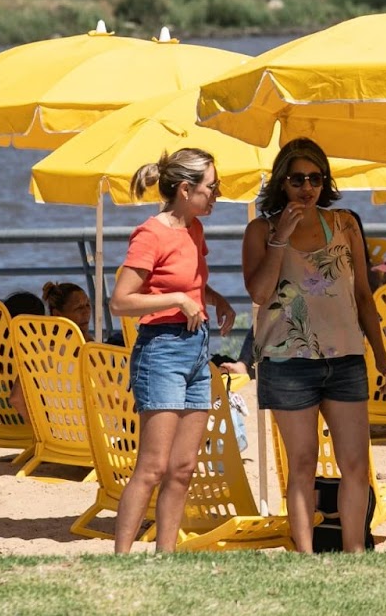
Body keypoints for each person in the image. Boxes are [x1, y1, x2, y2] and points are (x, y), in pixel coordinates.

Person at [243, 137, 386, 554]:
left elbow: (363, 294)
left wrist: (380, 354)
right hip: (287, 362)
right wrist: (281, 237)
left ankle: (354, 553)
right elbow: (258, 293)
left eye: (315, 178)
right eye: (297, 179)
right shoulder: (261, 229)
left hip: (345, 357)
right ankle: (305, 556)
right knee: (303, 464)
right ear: (282, 183)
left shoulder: (345, 223)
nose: (307, 187)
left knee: (356, 464)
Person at [108, 148, 236, 554]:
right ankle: (121, 558)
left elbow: (188, 283)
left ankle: (167, 559)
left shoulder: (194, 229)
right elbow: (121, 301)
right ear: (185, 189)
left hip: (197, 350)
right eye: (212, 187)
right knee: (152, 467)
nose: (217, 195)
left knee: (182, 469)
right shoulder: (151, 233)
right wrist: (179, 300)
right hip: (161, 351)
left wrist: (213, 298)